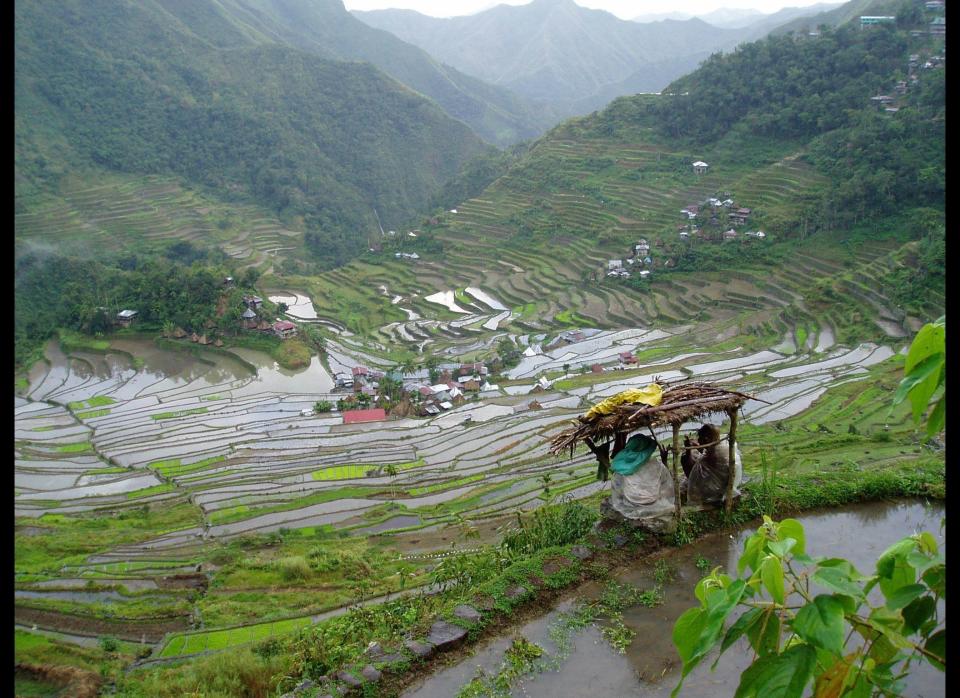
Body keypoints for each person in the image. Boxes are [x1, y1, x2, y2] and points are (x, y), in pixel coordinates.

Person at [682, 424, 742, 506]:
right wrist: (698, 447)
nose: (698, 440)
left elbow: (699, 467)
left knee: (685, 460)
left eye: (700, 438)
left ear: (706, 439)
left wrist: (688, 450)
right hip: (726, 485)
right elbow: (705, 453)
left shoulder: (713, 455)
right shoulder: (722, 446)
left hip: (716, 490)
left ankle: (701, 498)